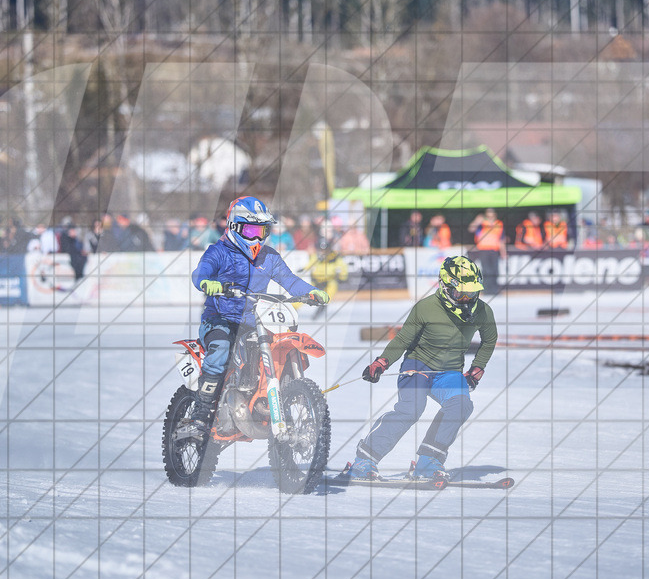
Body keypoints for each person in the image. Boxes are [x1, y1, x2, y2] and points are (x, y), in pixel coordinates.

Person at [345, 256, 498, 482]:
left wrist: (478, 368)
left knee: (461, 405)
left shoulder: (483, 312)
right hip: (417, 367)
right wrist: (382, 362)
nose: (467, 299)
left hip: (450, 372)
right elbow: (402, 340)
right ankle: (363, 461)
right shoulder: (426, 308)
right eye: (461, 293)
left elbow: (489, 340)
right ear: (445, 287)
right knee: (411, 409)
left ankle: (428, 461)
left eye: (472, 293)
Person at [190, 196, 331, 416]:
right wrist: (208, 282)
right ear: (234, 227)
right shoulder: (218, 252)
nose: (257, 238)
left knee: (277, 350)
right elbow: (201, 271)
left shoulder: (269, 258)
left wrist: (310, 292)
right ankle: (202, 411)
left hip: (254, 321)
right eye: (250, 232)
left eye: (262, 231)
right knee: (221, 352)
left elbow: (289, 280)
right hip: (219, 319)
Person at [468, 208, 504, 295]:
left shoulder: (499, 224)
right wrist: (477, 221)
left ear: (495, 215)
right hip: (483, 249)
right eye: (488, 216)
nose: (490, 218)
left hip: (494, 249)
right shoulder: (481, 224)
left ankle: (495, 290)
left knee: (495, 270)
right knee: (486, 270)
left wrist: (503, 252)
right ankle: (487, 290)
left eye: (491, 216)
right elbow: (471, 229)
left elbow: (501, 239)